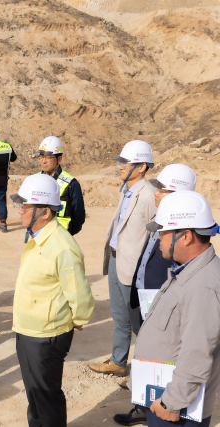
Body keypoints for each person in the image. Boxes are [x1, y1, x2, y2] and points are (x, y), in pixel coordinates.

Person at [113, 164, 197, 426]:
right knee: (146, 355)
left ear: (179, 194)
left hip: (163, 308)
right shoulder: (163, 217)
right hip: (148, 300)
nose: (156, 192)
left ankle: (165, 407)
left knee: (163, 360)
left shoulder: (184, 230)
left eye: (162, 189)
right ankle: (143, 405)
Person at [10, 173, 95, 427]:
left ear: (45, 212)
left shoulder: (62, 246)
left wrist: (78, 318)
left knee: (46, 397)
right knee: (34, 394)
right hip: (28, 329)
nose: (19, 211)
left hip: (45, 335)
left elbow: (79, 294)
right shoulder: (38, 238)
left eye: (25, 206)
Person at [130, 191, 220, 427]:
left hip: (177, 410)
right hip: (165, 397)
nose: (158, 237)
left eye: (164, 231)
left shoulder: (203, 286)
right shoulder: (189, 271)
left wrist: (172, 403)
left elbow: (197, 353)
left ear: (187, 236)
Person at [89, 140, 157, 377]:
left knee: (139, 323)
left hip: (133, 267)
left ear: (141, 167)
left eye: (125, 162)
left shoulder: (148, 194)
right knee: (119, 317)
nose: (120, 166)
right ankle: (118, 361)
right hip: (117, 260)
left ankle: (146, 371)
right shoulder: (127, 191)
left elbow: (155, 235)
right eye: (120, 161)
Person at [36, 136, 85, 235]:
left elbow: (78, 218)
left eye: (49, 157)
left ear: (59, 159)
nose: (43, 161)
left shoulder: (71, 184)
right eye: (42, 156)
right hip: (37, 237)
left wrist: (67, 234)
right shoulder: (34, 180)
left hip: (60, 239)